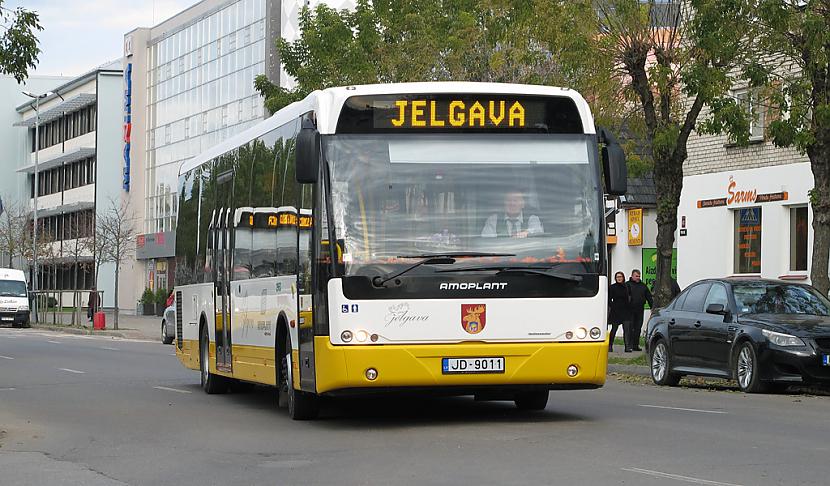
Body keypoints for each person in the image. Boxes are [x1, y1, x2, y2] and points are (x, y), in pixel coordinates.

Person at [626, 269, 652, 352]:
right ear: (632, 276)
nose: (638, 278)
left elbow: (649, 297)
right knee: (630, 328)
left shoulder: (643, 286)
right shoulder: (627, 285)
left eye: (639, 276)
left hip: (640, 309)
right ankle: (629, 345)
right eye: (636, 276)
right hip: (630, 310)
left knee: (638, 328)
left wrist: (652, 307)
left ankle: (635, 345)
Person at [608, 271, 630, 352]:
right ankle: (610, 345)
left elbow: (630, 297)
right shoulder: (612, 287)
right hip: (616, 311)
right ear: (615, 278)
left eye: (620, 277)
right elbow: (609, 299)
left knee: (627, 329)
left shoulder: (627, 286)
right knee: (614, 329)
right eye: (617, 277)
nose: (619, 278)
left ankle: (627, 347)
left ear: (623, 277)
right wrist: (613, 306)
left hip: (626, 310)